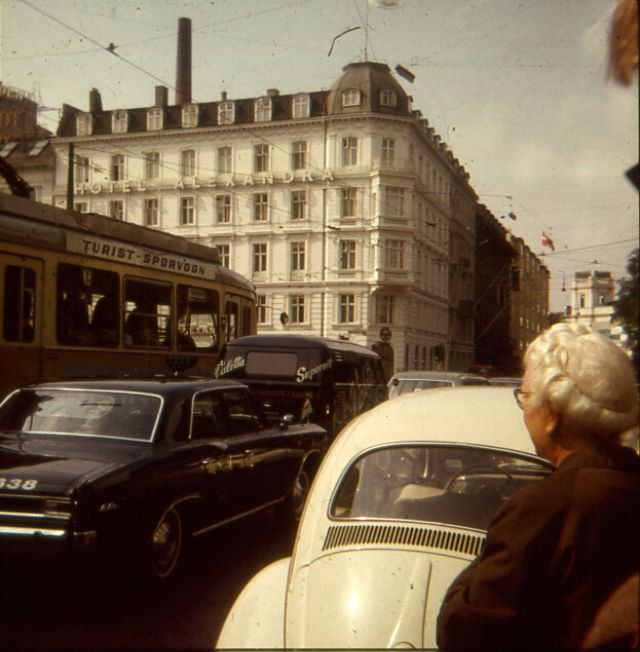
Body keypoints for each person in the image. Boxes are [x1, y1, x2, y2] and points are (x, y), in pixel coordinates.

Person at [436, 323, 640, 650]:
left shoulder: (542, 508)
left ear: (551, 414)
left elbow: (464, 630)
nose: (524, 409)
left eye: (525, 396)